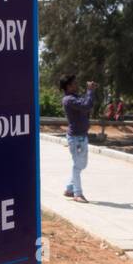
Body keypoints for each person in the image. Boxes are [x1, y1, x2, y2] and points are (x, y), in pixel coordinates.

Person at [60, 74, 95, 203]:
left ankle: (69, 188)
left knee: (82, 165)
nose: (77, 85)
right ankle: (77, 193)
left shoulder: (76, 98)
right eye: (74, 83)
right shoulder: (69, 100)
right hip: (75, 138)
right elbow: (87, 105)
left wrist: (89, 92)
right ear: (68, 86)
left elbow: (87, 104)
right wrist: (90, 91)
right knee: (77, 165)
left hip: (82, 136)